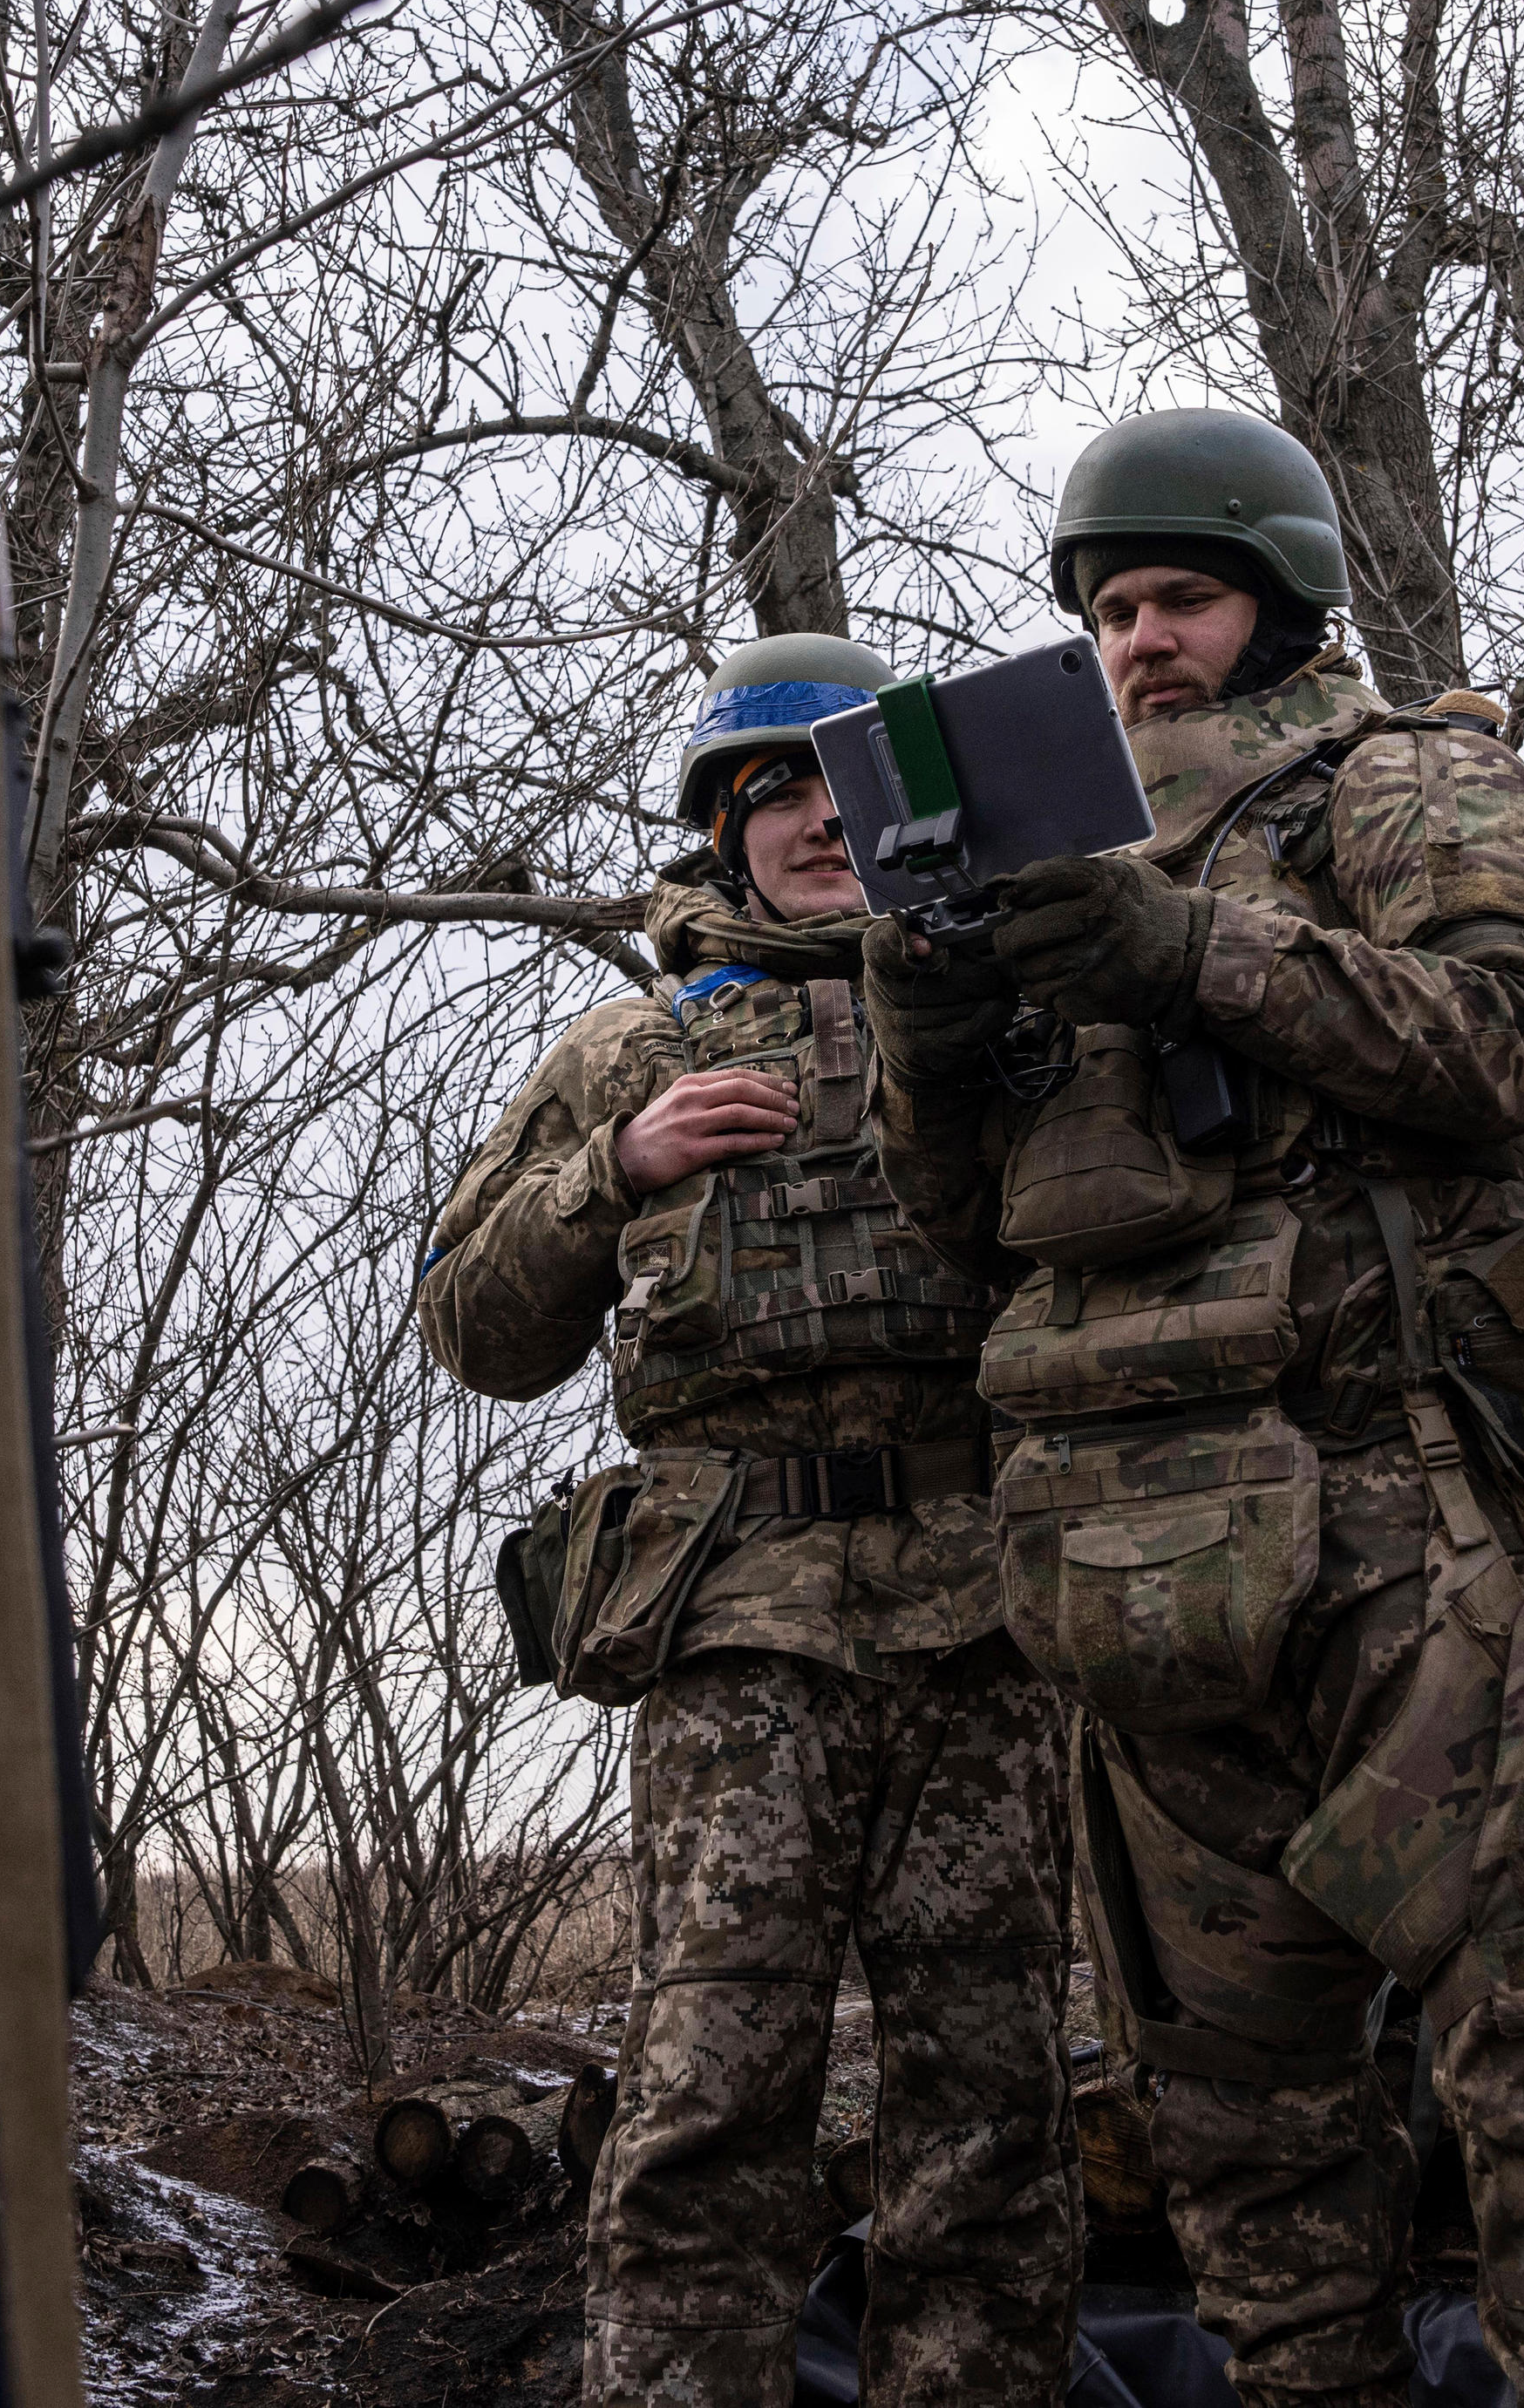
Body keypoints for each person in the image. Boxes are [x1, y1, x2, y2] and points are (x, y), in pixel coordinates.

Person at [856, 412, 1524, 2408]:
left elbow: (1509, 1040)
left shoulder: (1413, 777)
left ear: (1279, 593)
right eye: (1102, 610)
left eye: (1173, 596)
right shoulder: (1027, 861)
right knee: (1243, 2159)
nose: (1135, 641)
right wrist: (926, 1035)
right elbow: (958, 1225)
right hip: (1135, 1573)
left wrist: (1197, 950)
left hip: (1419, 1539)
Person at [418, 634, 1078, 2408]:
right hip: (737, 1635)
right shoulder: (625, 1044)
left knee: (992, 2119)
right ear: (721, 828)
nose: (811, 821)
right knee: (707, 2107)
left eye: (848, 786)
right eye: (770, 790)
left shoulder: (1014, 1002)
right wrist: (609, 1169)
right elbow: (473, 1327)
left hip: (990, 1622)